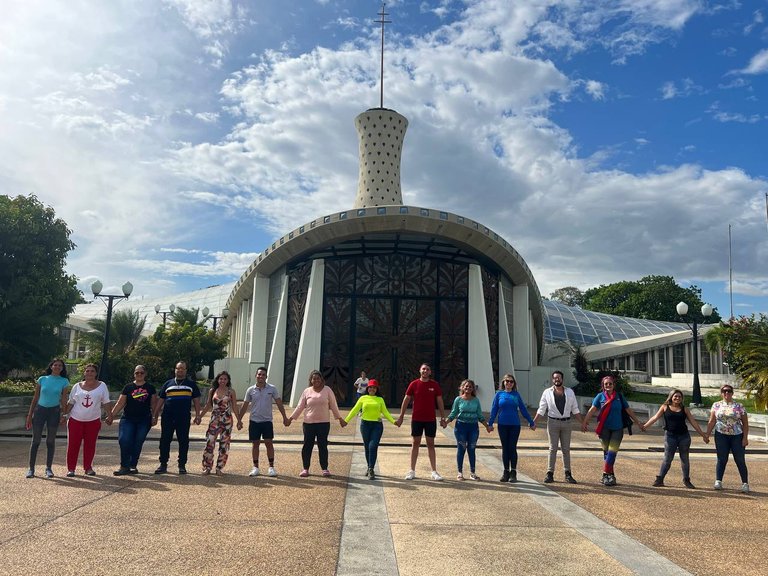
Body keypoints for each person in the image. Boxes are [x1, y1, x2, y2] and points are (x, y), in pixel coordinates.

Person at [581, 375, 644, 486]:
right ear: (603, 386)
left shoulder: (619, 396)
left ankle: (605, 474)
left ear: (614, 385)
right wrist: (585, 422)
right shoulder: (600, 397)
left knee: (612, 452)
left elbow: (628, 410)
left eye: (610, 383)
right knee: (607, 452)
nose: (608, 385)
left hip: (617, 428)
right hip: (604, 428)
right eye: (606, 384)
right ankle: (610, 476)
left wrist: (638, 422)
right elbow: (592, 409)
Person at [643, 389, 708, 488]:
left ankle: (686, 480)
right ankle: (660, 479)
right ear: (671, 397)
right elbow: (655, 418)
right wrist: (644, 426)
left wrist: (703, 435)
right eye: (675, 396)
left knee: (685, 459)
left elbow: (693, 422)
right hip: (670, 436)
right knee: (667, 458)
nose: (677, 398)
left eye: (679, 397)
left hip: (684, 437)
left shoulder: (684, 409)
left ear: (682, 399)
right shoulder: (665, 407)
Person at [288, 370, 346, 477]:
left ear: (321, 379)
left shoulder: (327, 390)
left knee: (322, 446)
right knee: (307, 446)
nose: (316, 380)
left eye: (318, 378)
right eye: (314, 378)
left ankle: (324, 468)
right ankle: (305, 468)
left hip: (323, 423)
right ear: (310, 380)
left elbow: (333, 405)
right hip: (309, 423)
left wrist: (340, 418)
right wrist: (291, 418)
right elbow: (300, 406)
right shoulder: (307, 391)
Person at [395, 363, 447, 481]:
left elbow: (440, 401)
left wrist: (443, 418)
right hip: (417, 419)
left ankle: (434, 471)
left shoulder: (434, 385)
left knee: (430, 444)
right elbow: (406, 399)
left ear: (430, 372)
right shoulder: (414, 384)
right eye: (423, 369)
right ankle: (411, 470)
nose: (425, 371)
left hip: (430, 419)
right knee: (415, 443)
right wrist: (401, 416)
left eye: (427, 369)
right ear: (420, 370)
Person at [531, 370, 583, 484]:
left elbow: (575, 409)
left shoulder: (570, 392)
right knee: (552, 448)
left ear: (562, 379)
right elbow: (541, 409)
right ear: (552, 379)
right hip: (553, 422)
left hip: (566, 423)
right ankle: (549, 473)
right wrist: (534, 422)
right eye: (555, 378)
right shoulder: (547, 392)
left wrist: (582, 423)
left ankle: (568, 473)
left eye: (558, 377)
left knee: (566, 449)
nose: (557, 379)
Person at [238, 366, 290, 477]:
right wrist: (239, 420)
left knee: (269, 443)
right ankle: (255, 467)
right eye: (259, 374)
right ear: (256, 375)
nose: (261, 376)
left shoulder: (272, 389)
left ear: (266, 377)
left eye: (263, 374)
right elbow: (245, 406)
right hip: (254, 421)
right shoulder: (250, 390)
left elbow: (279, 403)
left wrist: (285, 417)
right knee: (255, 444)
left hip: (267, 421)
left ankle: (271, 467)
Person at [106, 365, 157, 475]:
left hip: (144, 419)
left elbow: (154, 404)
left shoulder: (150, 388)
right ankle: (124, 466)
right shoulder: (128, 387)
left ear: (145, 374)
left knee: (138, 441)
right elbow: (120, 403)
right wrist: (111, 416)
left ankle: (133, 465)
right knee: (124, 440)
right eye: (137, 373)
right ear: (134, 374)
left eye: (141, 373)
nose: (139, 375)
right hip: (128, 418)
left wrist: (154, 417)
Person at [63, 363, 113, 477]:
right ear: (84, 372)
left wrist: (110, 415)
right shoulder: (77, 386)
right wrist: (64, 414)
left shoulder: (102, 386)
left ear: (96, 373)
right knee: (73, 445)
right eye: (87, 371)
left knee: (90, 445)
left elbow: (106, 401)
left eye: (92, 371)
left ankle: (88, 467)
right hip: (75, 420)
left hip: (93, 420)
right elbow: (71, 402)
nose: (89, 373)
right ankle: (71, 468)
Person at [153, 361, 202, 475]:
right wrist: (155, 414)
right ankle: (163, 464)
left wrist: (198, 415)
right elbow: (161, 400)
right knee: (165, 440)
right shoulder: (168, 384)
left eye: (182, 368)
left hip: (183, 417)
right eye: (178, 368)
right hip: (168, 417)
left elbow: (196, 401)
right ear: (175, 370)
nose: (180, 370)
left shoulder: (191, 384)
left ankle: (182, 465)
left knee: (183, 441)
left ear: (186, 370)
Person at [344, 378, 398, 479]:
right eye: (370, 387)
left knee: (372, 446)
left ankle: (371, 468)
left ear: (377, 389)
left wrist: (394, 422)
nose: (372, 389)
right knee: (367, 447)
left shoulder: (380, 399)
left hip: (377, 426)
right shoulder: (363, 398)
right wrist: (346, 421)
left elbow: (385, 412)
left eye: (374, 388)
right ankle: (369, 467)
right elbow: (355, 410)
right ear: (367, 388)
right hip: (365, 425)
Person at [25, 358, 70, 479]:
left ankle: (48, 468)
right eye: (55, 365)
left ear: (62, 368)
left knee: (50, 441)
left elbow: (64, 399)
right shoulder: (42, 379)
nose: (57, 367)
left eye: (60, 365)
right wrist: (30, 415)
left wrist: (64, 415)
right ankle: (31, 468)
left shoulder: (64, 381)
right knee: (36, 441)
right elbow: (35, 398)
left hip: (54, 412)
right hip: (40, 410)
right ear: (51, 366)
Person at [487, 373, 535, 483]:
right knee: (505, 448)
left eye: (511, 381)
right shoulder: (499, 394)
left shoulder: (516, 395)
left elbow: (523, 409)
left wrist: (531, 422)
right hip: (503, 424)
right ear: (503, 383)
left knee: (512, 447)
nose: (509, 383)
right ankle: (505, 471)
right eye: (507, 381)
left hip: (514, 425)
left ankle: (513, 472)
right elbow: (494, 409)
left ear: (514, 384)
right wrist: (490, 423)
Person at [705, 385, 750, 493]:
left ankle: (745, 483)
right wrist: (707, 434)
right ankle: (718, 480)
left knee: (739, 459)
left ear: (732, 393)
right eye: (724, 391)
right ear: (721, 393)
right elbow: (712, 421)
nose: (726, 393)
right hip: (721, 435)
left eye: (729, 391)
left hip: (737, 435)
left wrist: (745, 438)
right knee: (721, 459)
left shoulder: (739, 406)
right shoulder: (716, 405)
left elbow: (745, 423)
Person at [446, 379, 491, 481]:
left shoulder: (476, 400)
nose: (468, 388)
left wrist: (487, 426)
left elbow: (480, 415)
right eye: (466, 386)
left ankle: (472, 472)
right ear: (462, 387)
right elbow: (453, 413)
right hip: (461, 427)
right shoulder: (458, 399)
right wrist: (446, 422)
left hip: (473, 427)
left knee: (472, 449)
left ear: (473, 389)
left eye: (470, 386)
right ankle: (460, 472)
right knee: (461, 448)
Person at [199, 371, 240, 475]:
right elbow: (208, 405)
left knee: (224, 444)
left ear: (228, 381)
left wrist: (239, 420)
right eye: (221, 379)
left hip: (227, 420)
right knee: (209, 442)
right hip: (214, 420)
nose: (223, 381)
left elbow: (234, 406)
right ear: (217, 380)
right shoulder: (213, 390)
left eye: (225, 379)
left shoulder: (231, 392)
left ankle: (219, 468)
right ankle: (207, 467)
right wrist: (199, 416)